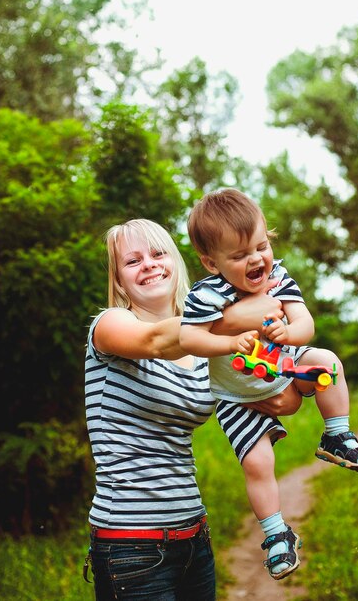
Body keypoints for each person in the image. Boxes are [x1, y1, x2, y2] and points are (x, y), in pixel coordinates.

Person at [83, 218, 299, 600]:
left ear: (176, 263)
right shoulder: (111, 325)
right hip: (131, 545)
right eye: (133, 261)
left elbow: (283, 392)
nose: (149, 264)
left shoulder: (208, 349)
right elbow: (155, 341)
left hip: (193, 535)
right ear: (119, 280)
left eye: (158, 253)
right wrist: (235, 316)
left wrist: (294, 385)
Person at [179, 188, 358, 581]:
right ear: (210, 262)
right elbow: (188, 339)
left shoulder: (279, 277)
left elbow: (306, 323)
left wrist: (290, 332)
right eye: (238, 255)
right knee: (257, 463)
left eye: (261, 246)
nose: (256, 259)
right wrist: (228, 341)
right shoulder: (205, 295)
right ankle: (276, 535)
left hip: (283, 366)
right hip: (237, 396)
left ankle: (336, 435)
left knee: (327, 362)